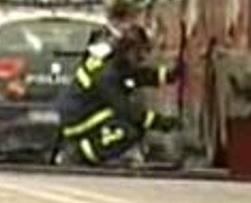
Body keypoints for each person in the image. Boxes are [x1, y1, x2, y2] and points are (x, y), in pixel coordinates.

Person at [56, 23, 181, 166]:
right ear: (129, 50)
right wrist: (161, 123)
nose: (141, 58)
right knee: (128, 130)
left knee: (133, 125)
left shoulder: (114, 59)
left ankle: (91, 150)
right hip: (78, 120)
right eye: (139, 53)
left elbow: (135, 75)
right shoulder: (107, 74)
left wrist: (167, 76)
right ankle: (79, 154)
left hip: (85, 111)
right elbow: (125, 109)